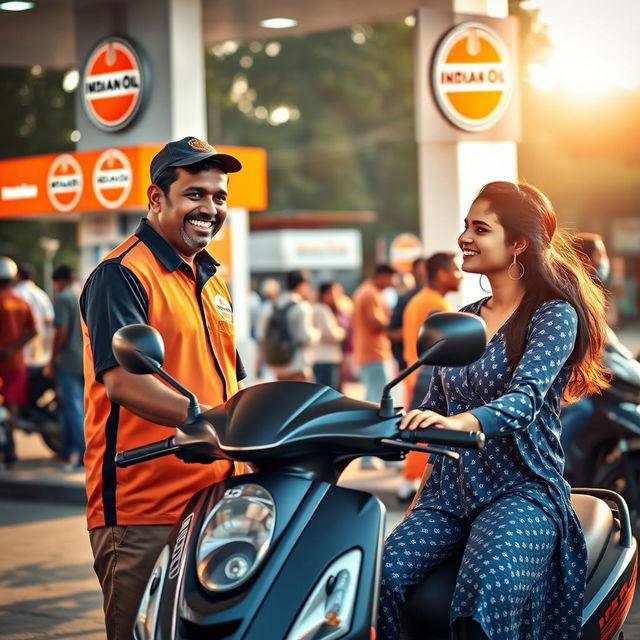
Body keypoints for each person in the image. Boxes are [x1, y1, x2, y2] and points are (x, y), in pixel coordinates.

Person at [378, 181, 609, 640]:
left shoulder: (552, 314)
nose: (464, 238)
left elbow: (525, 400)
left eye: (480, 228)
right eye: (465, 226)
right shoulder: (462, 318)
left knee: (481, 597)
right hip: (448, 496)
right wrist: (381, 427)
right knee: (373, 580)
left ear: (518, 243)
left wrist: (462, 422)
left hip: (520, 489)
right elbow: (433, 406)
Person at [80, 136, 247, 640]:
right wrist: (211, 422)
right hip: (144, 506)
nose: (210, 208)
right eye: (195, 194)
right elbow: (125, 379)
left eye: (218, 197)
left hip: (222, 496)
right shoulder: (121, 274)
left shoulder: (210, 279)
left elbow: (229, 378)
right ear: (158, 198)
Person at [396, 252, 462, 501]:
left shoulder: (419, 299)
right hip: (429, 373)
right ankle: (414, 486)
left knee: (420, 428)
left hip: (417, 372)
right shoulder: (435, 305)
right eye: (456, 270)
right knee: (428, 431)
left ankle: (409, 483)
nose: (461, 276)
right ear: (442, 274)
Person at [44, 265, 84, 472]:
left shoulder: (63, 298)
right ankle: (66, 451)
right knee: (75, 410)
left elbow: (61, 330)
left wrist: (51, 360)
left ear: (59, 281)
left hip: (68, 361)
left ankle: (83, 459)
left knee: (74, 410)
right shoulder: (82, 292)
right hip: (86, 361)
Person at [0, 257, 36, 465]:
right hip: (17, 362)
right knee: (12, 407)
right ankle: (11, 449)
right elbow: (33, 330)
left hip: (2, 363)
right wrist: (14, 348)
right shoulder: (21, 301)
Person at [258, 269, 319, 382]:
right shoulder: (302, 307)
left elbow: (261, 334)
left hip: (278, 365)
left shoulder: (273, 306)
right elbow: (305, 337)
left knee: (285, 397)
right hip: (298, 365)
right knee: (302, 397)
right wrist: (317, 333)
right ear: (302, 285)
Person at [352, 264, 397, 402]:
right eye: (391, 278)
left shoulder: (365, 290)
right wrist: (395, 322)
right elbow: (376, 323)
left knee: (371, 399)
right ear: (382, 276)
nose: (393, 282)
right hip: (374, 354)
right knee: (380, 401)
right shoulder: (370, 293)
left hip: (367, 354)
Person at [386, 258, 428, 371]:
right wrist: (415, 332)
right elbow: (391, 333)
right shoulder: (407, 299)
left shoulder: (434, 297)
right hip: (411, 365)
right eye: (422, 269)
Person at [14, 263, 54, 371]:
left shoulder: (14, 294)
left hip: (17, 345)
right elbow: (49, 320)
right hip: (37, 343)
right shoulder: (41, 294)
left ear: (17, 276)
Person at [312, 281, 346, 389]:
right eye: (333, 293)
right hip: (325, 359)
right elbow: (330, 334)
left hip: (324, 358)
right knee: (328, 394)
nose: (336, 296)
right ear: (325, 294)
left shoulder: (322, 308)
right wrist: (342, 331)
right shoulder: (322, 309)